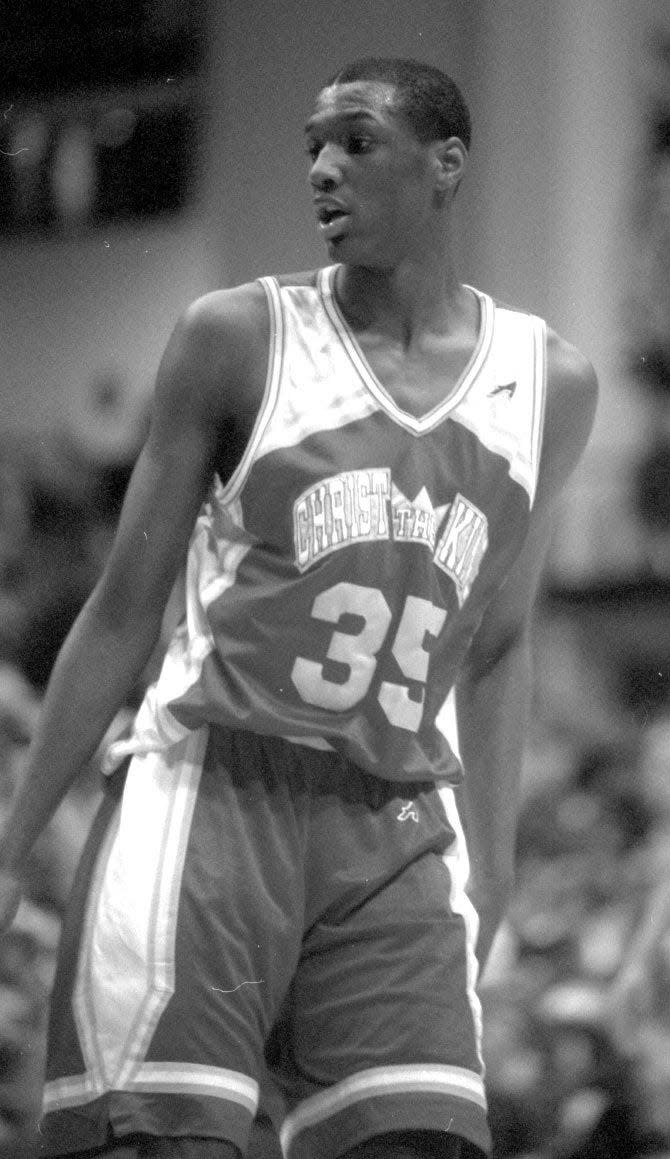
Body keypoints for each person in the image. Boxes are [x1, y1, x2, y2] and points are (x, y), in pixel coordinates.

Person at [0, 56, 597, 1159]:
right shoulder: (237, 337)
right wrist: (11, 842)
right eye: (313, 144)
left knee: (425, 1139)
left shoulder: (548, 380)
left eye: (357, 142)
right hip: (214, 798)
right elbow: (123, 611)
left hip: (398, 822)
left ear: (445, 165)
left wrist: (496, 867)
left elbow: (501, 643)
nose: (322, 167)